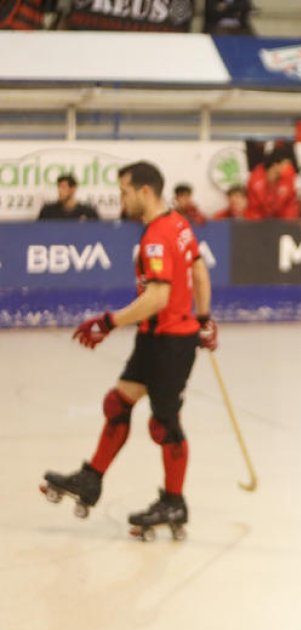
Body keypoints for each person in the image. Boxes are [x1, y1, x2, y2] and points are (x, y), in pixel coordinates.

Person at [39, 161, 216, 538]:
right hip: (158, 338)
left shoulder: (155, 236)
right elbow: (199, 271)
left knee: (164, 424)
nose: (122, 199)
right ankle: (91, 479)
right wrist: (204, 319)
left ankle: (174, 501)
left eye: (124, 192)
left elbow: (157, 296)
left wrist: (108, 322)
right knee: (117, 404)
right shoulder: (179, 223)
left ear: (144, 192)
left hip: (169, 342)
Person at [246, 150, 298, 220]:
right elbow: (253, 207)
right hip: (259, 222)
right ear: (275, 165)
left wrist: (287, 224)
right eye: (285, 164)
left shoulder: (288, 178)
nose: (288, 167)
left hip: (281, 221)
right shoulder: (255, 180)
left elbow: (290, 204)